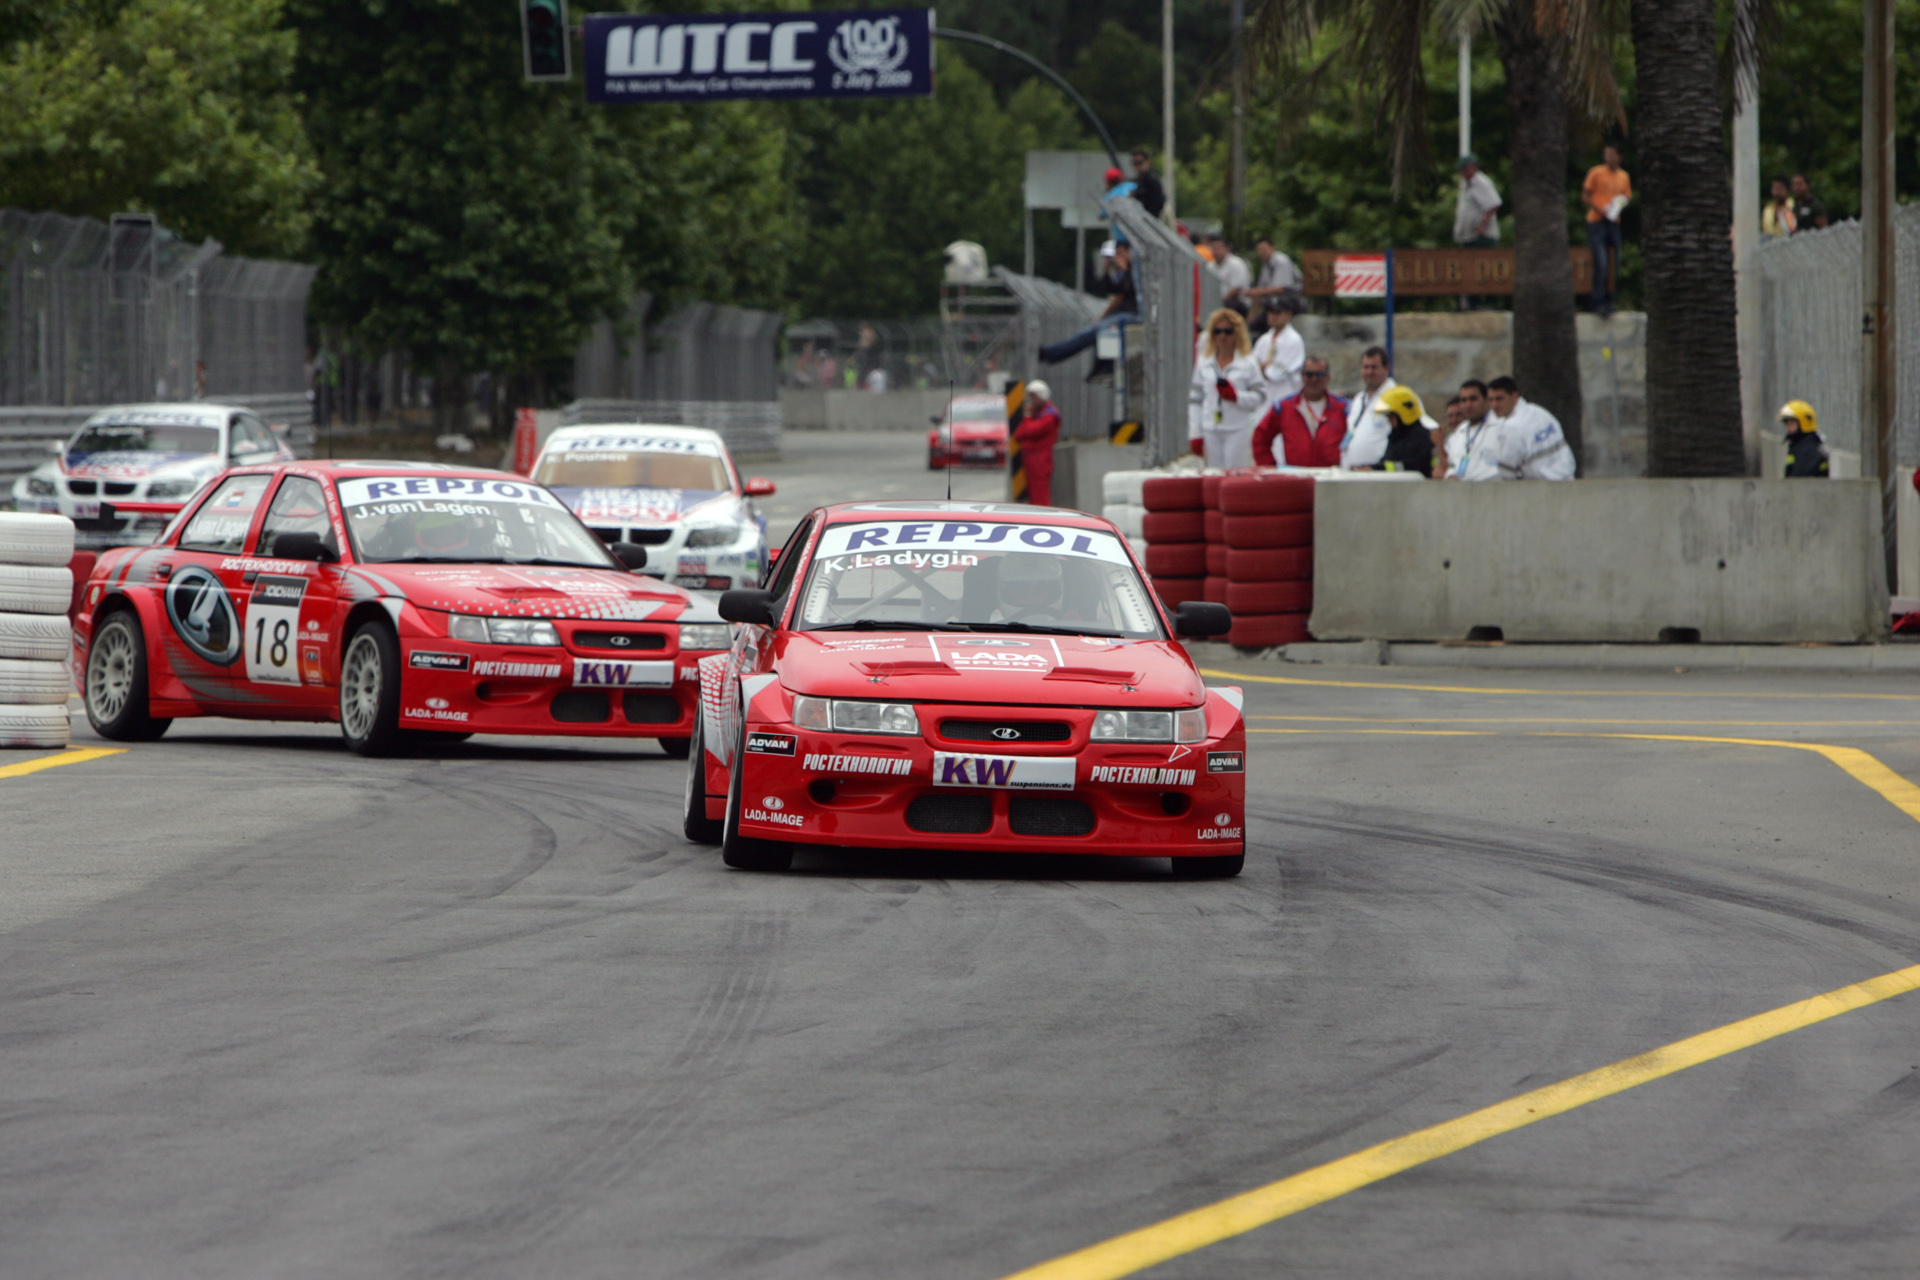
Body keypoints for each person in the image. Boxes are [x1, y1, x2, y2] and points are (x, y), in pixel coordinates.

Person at [1188, 309, 1270, 468]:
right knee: (1212, 476)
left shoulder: (1248, 362)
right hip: (1210, 428)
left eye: (1228, 332)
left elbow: (1261, 396)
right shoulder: (1204, 362)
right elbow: (1195, 400)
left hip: (1237, 429)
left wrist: (1237, 397)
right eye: (1217, 331)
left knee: (1235, 475)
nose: (1222, 336)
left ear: (1237, 334)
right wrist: (1195, 434)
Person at [1038, 241, 1137, 366]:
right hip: (1123, 313)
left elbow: (1120, 295)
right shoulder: (1124, 272)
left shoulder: (1134, 270)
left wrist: (1103, 316)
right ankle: (1054, 354)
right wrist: (1107, 273)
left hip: (1131, 314)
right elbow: (1112, 289)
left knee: (1097, 331)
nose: (1117, 258)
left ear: (1129, 253)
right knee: (1094, 331)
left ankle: (1054, 353)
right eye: (1116, 254)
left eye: (1121, 254)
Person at [1252, 355, 1346, 468]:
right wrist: (1268, 467)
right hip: (1298, 477)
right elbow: (1260, 437)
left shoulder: (1343, 407)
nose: (1314, 379)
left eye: (1319, 375)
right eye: (1309, 374)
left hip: (1333, 477)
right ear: (1302, 376)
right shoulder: (1284, 407)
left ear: (1328, 377)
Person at [1485, 375, 1576, 479]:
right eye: (1491, 400)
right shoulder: (1539, 411)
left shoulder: (1511, 428)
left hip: (1541, 488)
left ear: (1514, 396)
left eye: (1499, 399)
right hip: (1567, 480)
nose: (1494, 405)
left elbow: (1507, 473)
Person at [1582, 144, 1632, 317]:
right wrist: (1600, 209)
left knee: (1614, 262)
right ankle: (1597, 301)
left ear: (1619, 157)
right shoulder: (1596, 172)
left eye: (1612, 154)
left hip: (1613, 221)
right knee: (1601, 261)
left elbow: (1626, 197)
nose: (1608, 158)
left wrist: (1618, 206)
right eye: (1606, 154)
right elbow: (1586, 195)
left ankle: (1610, 300)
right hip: (1597, 221)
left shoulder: (1624, 176)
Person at [1340, 346, 1401, 469]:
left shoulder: (1398, 397)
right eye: (1366, 367)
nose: (1369, 372)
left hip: (1379, 473)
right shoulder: (1359, 399)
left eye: (1374, 367)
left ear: (1387, 368)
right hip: (1352, 473)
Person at [1366, 387, 1437, 476]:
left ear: (1404, 413)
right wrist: (1371, 468)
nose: (1389, 420)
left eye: (1391, 415)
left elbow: (1413, 467)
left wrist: (1379, 468)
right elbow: (1387, 461)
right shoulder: (1396, 437)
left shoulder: (1421, 437)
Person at [1251, 292, 1306, 403]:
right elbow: (1251, 366)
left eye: (1278, 312)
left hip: (1285, 395)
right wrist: (1264, 366)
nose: (1273, 316)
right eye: (1270, 312)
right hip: (1265, 397)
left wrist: (1263, 367)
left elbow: (1278, 373)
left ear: (1288, 314)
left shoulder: (1294, 340)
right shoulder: (1264, 339)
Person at [1015, 380, 1063, 504]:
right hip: (1032, 463)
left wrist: (1027, 416)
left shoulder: (1049, 416)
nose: (1031, 401)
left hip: (1040, 463)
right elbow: (1019, 434)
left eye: (1034, 397)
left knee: (1040, 499)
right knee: (1034, 498)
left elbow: (1030, 431)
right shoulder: (1038, 415)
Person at [1446, 379, 1504, 480]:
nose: (1468, 405)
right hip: (1462, 491)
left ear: (1486, 400)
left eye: (1473, 399)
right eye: (1464, 400)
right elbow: (1451, 465)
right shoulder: (1459, 432)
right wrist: (1450, 475)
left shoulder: (1501, 428)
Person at [1453, 153, 1502, 248]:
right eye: (1461, 169)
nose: (1462, 172)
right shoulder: (1467, 184)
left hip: (1482, 237)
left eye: (1465, 169)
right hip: (1468, 237)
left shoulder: (1481, 182)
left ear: (1473, 167)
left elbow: (1493, 204)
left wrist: (1482, 226)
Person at [1245, 237, 1303, 315]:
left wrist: (1257, 291)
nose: (1261, 252)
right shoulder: (1265, 265)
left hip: (1291, 301)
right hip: (1274, 302)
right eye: (1258, 250)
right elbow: (1260, 290)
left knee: (1273, 305)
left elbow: (1280, 289)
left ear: (1272, 248)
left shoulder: (1282, 261)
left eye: (1263, 249)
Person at [1778, 400, 1830, 478]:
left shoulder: (1808, 451)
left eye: (1792, 423)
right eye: (1787, 423)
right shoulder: (1800, 445)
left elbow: (1798, 484)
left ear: (1804, 423)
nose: (1788, 427)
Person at [1209, 234, 1253, 312]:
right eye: (1213, 248)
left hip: (1238, 302)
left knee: (1225, 305)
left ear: (1227, 249)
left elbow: (1236, 289)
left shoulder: (1236, 263)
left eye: (1218, 248)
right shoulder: (1210, 266)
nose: (1216, 252)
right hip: (1217, 301)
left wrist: (1218, 302)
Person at [1129, 148, 1166, 218]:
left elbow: (1157, 203)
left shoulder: (1152, 180)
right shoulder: (1136, 181)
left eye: (1139, 162)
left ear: (1147, 162)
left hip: (1150, 220)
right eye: (1134, 163)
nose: (1137, 166)